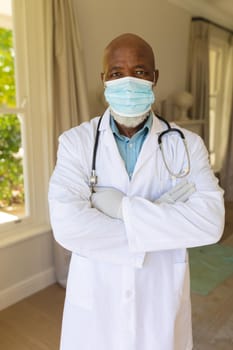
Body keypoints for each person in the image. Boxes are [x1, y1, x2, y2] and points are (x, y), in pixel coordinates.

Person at [48, 33, 225, 350]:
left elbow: (210, 223)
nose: (128, 81)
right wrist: (161, 221)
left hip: (159, 295)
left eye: (140, 71)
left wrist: (120, 210)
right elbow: (68, 226)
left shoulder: (187, 145)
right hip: (96, 296)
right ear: (103, 79)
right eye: (116, 73)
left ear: (155, 78)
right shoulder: (76, 143)